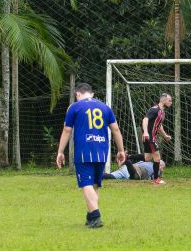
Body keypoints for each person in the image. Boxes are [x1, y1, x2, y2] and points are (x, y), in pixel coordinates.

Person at [56, 83, 126, 229]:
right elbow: (116, 129)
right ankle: (90, 217)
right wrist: (121, 150)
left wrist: (60, 152)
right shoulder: (105, 107)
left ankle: (96, 215)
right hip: (102, 151)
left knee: (86, 184)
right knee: (94, 185)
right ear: (92, 94)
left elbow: (67, 130)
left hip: (84, 151)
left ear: (77, 94)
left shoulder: (74, 107)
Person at [142, 93, 173, 184]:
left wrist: (165, 135)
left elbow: (159, 126)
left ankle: (127, 157)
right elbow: (145, 119)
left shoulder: (162, 113)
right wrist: (146, 132)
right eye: (169, 100)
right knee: (157, 158)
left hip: (151, 137)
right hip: (149, 137)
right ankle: (156, 179)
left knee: (147, 158)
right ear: (163, 100)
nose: (171, 102)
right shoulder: (154, 109)